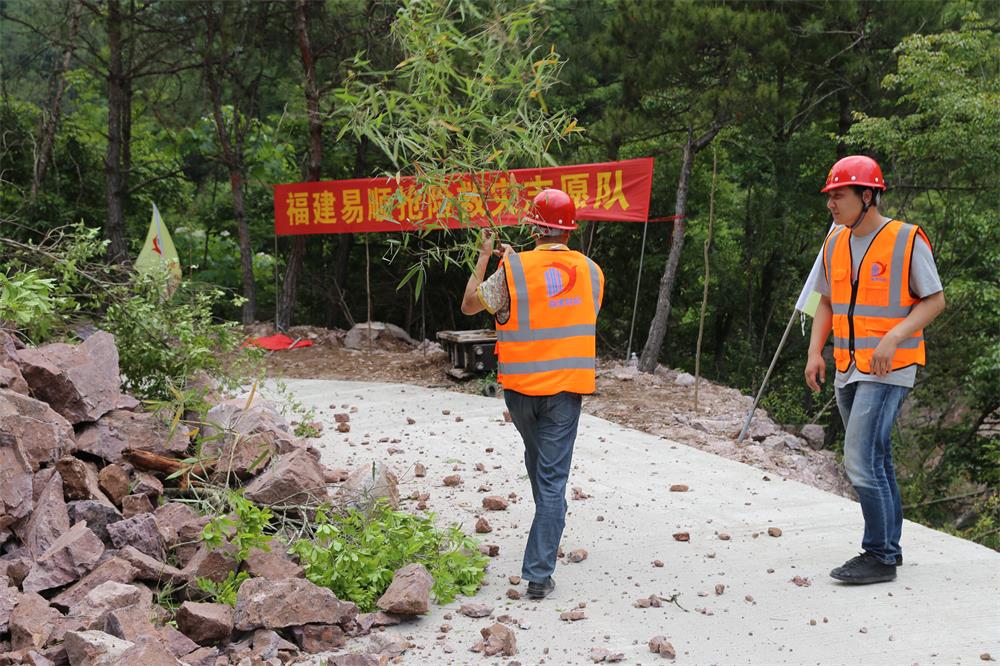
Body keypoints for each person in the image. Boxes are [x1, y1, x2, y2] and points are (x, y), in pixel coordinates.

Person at [805, 155, 945, 584]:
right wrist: (815, 352)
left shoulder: (906, 239)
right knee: (877, 458)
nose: (832, 203)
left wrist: (895, 336)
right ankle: (891, 548)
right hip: (848, 366)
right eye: (830, 196)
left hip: (890, 366)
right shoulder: (834, 244)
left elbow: (934, 299)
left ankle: (878, 554)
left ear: (868, 196)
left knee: (860, 458)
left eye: (840, 195)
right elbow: (823, 301)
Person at [461, 188, 604, 599]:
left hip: (521, 392)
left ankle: (538, 569)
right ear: (569, 230)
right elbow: (579, 312)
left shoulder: (513, 269)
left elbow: (471, 304)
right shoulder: (593, 271)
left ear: (533, 226)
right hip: (564, 392)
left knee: (543, 469)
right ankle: (543, 555)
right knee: (551, 476)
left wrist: (489, 256)